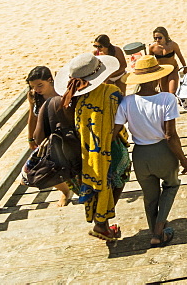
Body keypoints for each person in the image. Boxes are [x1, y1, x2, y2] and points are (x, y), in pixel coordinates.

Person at [115, 56, 187, 248]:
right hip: (162, 152)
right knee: (171, 186)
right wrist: (182, 158)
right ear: (158, 77)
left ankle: (154, 233)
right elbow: (170, 135)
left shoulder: (127, 102)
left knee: (150, 196)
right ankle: (158, 231)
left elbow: (114, 132)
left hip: (140, 154)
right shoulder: (167, 98)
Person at [55, 52, 130, 243]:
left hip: (87, 150)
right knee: (120, 175)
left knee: (97, 184)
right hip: (109, 146)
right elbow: (120, 120)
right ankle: (101, 222)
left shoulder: (73, 99)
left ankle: (102, 223)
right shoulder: (111, 92)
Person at [25, 66, 73, 206]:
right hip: (46, 137)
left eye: (40, 85)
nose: (37, 89)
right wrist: (30, 138)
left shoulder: (61, 91)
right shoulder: (34, 96)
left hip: (66, 133)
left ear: (50, 80)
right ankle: (65, 191)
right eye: (33, 86)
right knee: (45, 169)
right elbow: (32, 117)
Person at [150, 27, 185, 94]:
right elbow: (150, 60)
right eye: (155, 38)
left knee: (172, 92)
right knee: (165, 93)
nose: (157, 40)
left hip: (173, 70)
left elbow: (180, 56)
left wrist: (185, 68)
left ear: (165, 36)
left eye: (160, 38)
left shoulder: (173, 45)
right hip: (162, 71)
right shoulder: (152, 47)